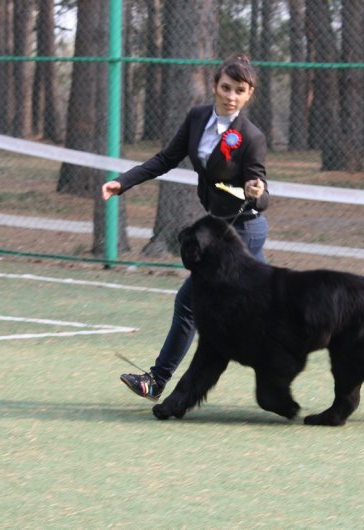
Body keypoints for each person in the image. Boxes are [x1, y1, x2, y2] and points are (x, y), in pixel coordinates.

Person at [102, 54, 269, 401]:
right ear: (214, 86)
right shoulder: (196, 118)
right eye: (226, 87)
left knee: (191, 302)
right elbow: (166, 159)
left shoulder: (251, 137)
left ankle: (157, 381)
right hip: (219, 230)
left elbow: (261, 194)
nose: (231, 96)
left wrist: (257, 191)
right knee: (273, 304)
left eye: (240, 90)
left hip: (243, 232)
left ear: (249, 94)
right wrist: (123, 183)